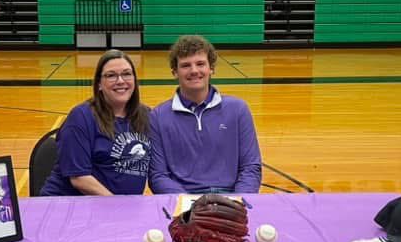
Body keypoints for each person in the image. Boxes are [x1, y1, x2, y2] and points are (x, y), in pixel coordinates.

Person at [149, 35, 262, 194]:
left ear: (212, 69)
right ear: (175, 72)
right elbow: (158, 176)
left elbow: (250, 167)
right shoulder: (158, 116)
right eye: (186, 65)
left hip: (230, 200)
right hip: (183, 204)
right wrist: (188, 206)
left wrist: (238, 203)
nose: (194, 70)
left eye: (200, 64)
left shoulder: (238, 110)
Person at [40, 49, 151, 196]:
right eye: (111, 75)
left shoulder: (146, 116)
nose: (120, 81)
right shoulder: (81, 117)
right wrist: (119, 206)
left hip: (122, 208)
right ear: (99, 84)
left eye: (127, 74)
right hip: (70, 206)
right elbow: (80, 178)